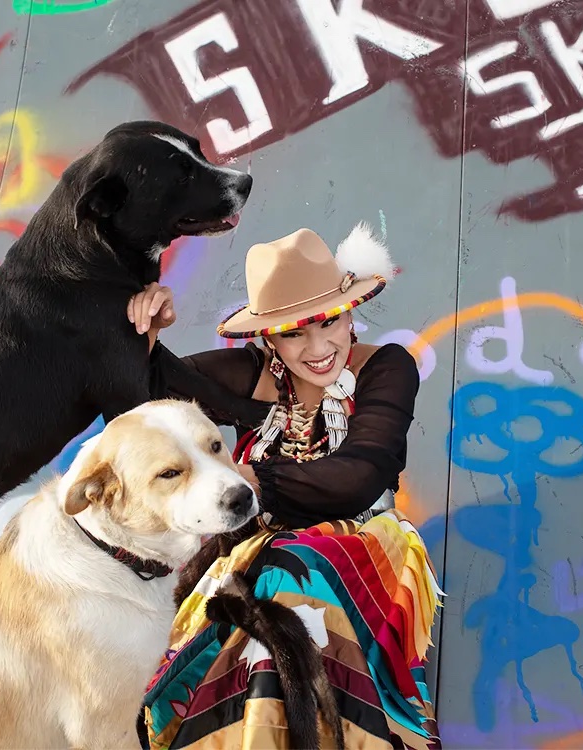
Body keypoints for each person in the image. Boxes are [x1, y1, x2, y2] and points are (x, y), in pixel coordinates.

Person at [127, 224, 444, 749]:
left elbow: (360, 476)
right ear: (268, 336)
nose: (319, 349)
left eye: (330, 323)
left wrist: (244, 481)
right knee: (240, 598)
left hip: (361, 552)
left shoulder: (385, 368)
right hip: (254, 558)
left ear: (350, 315)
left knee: (290, 575)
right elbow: (144, 397)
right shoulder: (247, 375)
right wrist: (145, 335)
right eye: (294, 333)